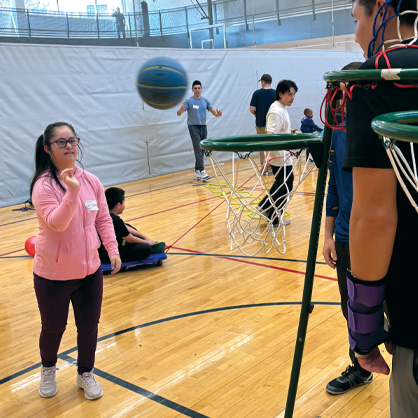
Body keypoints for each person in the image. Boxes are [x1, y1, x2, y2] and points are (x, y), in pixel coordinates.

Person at [343, 0, 418, 415]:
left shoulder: (381, 77)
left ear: (384, 10)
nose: (356, 35)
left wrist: (364, 329)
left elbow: (375, 217)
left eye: (357, 20)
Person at [30, 122, 121, 401]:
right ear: (48, 149)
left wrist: (112, 249)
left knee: (89, 326)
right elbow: (57, 224)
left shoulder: (92, 181)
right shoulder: (43, 186)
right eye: (61, 142)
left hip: (89, 271)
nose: (69, 146)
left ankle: (85, 373)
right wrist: (71, 191)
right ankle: (48, 369)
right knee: (53, 328)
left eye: (73, 140)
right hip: (52, 276)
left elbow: (104, 218)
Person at [322, 62, 373, 395]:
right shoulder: (338, 132)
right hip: (344, 235)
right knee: (350, 307)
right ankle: (359, 367)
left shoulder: (383, 129)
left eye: (346, 92)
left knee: (391, 308)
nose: (341, 99)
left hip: (381, 235)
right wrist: (326, 235)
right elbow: (334, 187)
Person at [257, 79, 298, 226]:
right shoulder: (276, 110)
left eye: (293, 94)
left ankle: (270, 212)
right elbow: (270, 134)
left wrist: (292, 131)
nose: (292, 97)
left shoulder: (282, 108)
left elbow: (280, 129)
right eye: (289, 94)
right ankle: (267, 209)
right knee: (284, 184)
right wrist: (267, 158)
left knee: (284, 184)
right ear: (280, 94)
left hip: (283, 156)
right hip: (278, 156)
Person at [98, 187, 165, 264]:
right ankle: (151, 248)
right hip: (109, 255)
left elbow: (125, 227)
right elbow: (130, 238)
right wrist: (146, 242)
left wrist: (145, 237)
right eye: (124, 202)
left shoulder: (106, 214)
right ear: (118, 205)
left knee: (129, 226)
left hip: (106, 249)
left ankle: (144, 244)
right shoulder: (115, 220)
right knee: (145, 249)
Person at [177, 80, 222, 181]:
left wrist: (217, 114)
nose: (197, 90)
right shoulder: (189, 101)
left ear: (201, 89)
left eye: (199, 88)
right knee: (198, 148)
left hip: (203, 126)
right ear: (192, 90)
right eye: (195, 88)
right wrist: (181, 109)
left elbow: (214, 111)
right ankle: (202, 171)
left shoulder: (205, 101)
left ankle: (197, 171)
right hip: (193, 126)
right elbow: (178, 113)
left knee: (202, 149)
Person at [249, 73, 276, 173]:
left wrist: (256, 114)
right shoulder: (276, 93)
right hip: (272, 124)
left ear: (263, 82)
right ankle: (272, 168)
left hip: (260, 123)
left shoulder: (257, 93)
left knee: (262, 145)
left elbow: (251, 109)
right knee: (272, 145)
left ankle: (264, 167)